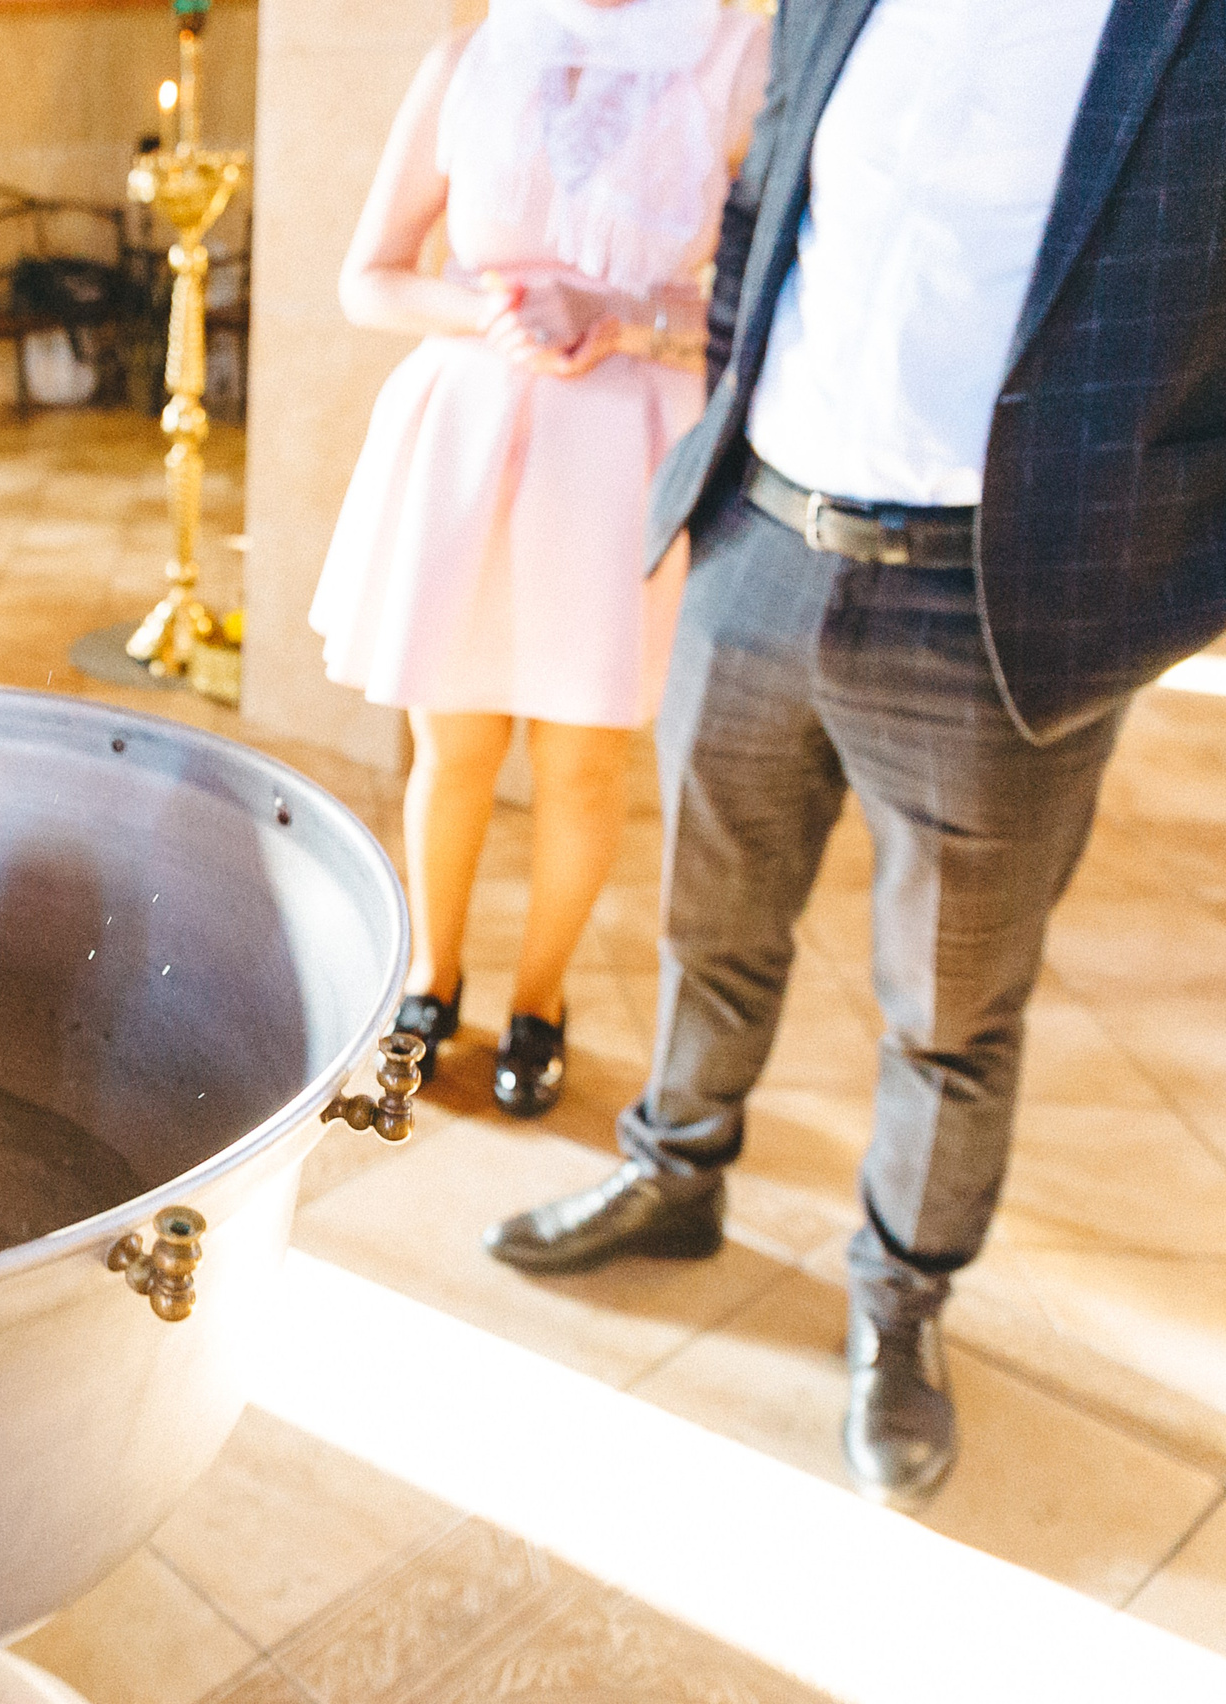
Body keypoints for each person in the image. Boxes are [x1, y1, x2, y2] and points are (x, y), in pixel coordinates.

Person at [484, 0, 1226, 1505]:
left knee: (951, 1008)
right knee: (712, 919)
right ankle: (673, 1173)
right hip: (764, 539)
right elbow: (768, 201)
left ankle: (897, 1305)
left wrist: (1164, 588)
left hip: (1000, 604)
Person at [308, 0, 766, 1117]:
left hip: (626, 449)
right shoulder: (470, 54)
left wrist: (632, 318)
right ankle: (432, 982)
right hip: (467, 437)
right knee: (451, 745)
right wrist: (490, 311)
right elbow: (369, 276)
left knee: (581, 760)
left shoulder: (738, 52)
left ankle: (539, 1002)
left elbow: (779, 292)